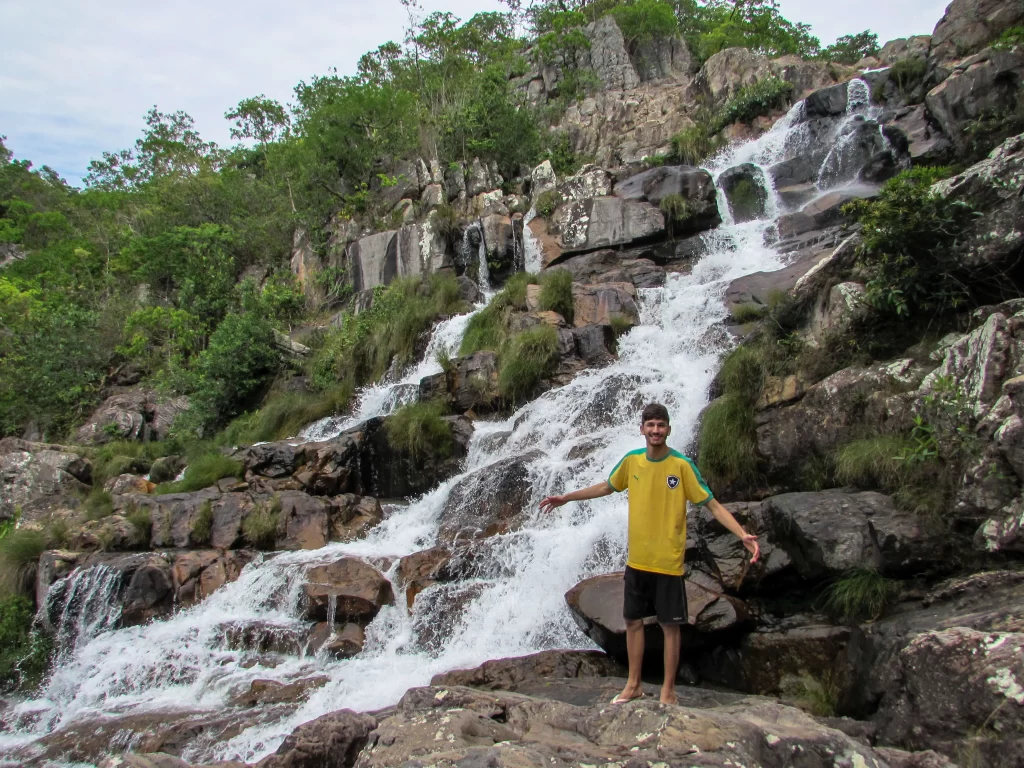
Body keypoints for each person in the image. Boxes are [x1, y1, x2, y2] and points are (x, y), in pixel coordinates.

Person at [539, 402, 760, 706]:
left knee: (671, 628)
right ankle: (633, 685)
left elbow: (712, 504)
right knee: (632, 622)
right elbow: (606, 487)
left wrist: (742, 534)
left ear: (668, 429)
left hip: (668, 564)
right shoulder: (632, 462)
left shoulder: (681, 466)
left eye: (661, 425)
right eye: (651, 425)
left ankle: (668, 692)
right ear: (641, 428)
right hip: (637, 562)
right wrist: (567, 498)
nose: (656, 430)